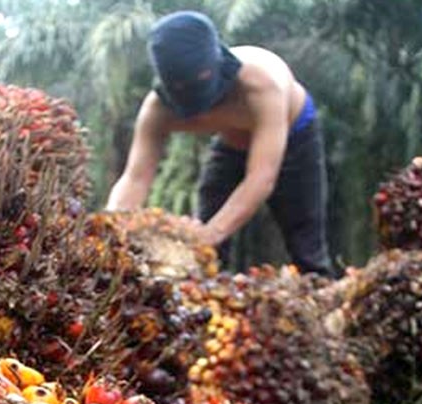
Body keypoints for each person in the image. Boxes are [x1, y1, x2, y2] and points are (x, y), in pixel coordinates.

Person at [105, 10, 338, 277]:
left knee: (306, 244)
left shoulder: (261, 85)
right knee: (208, 248)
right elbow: (135, 178)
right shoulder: (158, 109)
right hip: (232, 142)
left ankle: (322, 294)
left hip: (295, 137)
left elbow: (261, 178)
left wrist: (208, 236)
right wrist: (111, 229)